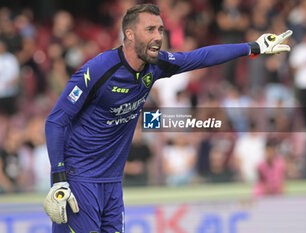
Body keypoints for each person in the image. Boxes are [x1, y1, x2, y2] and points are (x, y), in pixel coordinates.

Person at [43, 3, 292, 232]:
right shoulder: (97, 70)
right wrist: (59, 178)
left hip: (112, 183)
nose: (158, 37)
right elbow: (56, 121)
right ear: (129, 34)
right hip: (79, 180)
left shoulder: (156, 65)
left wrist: (253, 47)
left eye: (160, 29)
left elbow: (200, 57)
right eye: (150, 29)